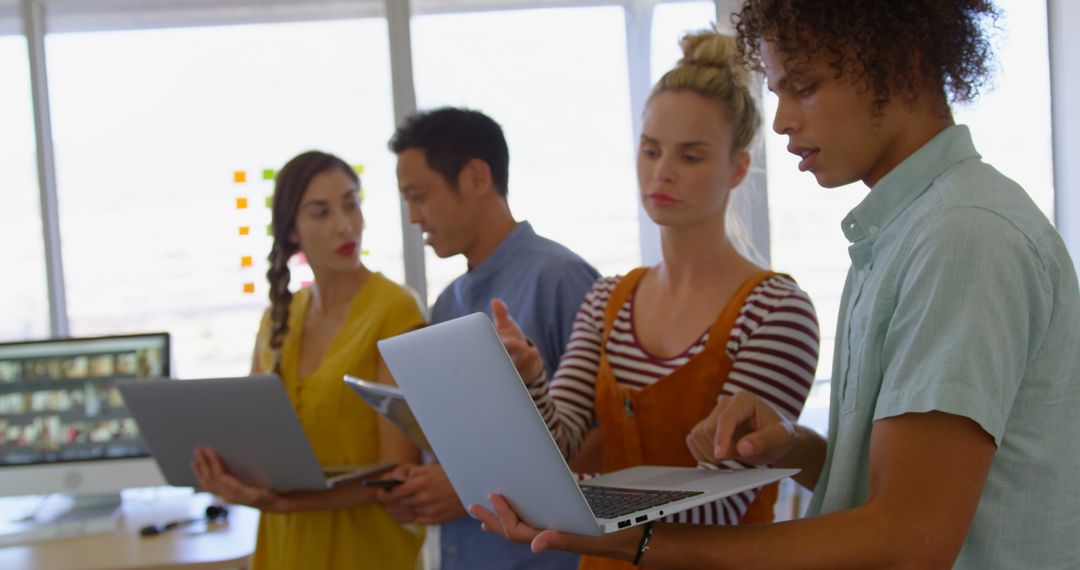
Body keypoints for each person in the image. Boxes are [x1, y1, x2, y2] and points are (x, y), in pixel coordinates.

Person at [470, 2, 1080, 568]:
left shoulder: (960, 237)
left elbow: (909, 540)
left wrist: (634, 537)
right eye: (779, 91)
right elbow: (882, 490)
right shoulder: (904, 235)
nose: (784, 121)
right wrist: (794, 448)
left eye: (806, 87)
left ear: (902, 63)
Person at [488, 29, 819, 570]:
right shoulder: (606, 299)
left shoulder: (776, 310)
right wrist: (527, 380)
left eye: (690, 156)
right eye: (650, 150)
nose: (661, 171)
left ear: (737, 168)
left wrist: (574, 499)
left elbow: (723, 501)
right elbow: (566, 441)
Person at [376, 107, 599, 570]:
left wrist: (465, 491)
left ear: (477, 177)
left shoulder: (562, 279)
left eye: (419, 196)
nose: (414, 217)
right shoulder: (446, 303)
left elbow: (604, 440)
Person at [191, 150, 426, 570]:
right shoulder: (279, 318)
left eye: (351, 204)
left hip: (364, 549)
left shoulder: (395, 310)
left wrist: (283, 502)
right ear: (292, 231)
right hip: (284, 545)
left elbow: (396, 471)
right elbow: (251, 438)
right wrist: (227, 477)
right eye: (321, 212)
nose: (345, 224)